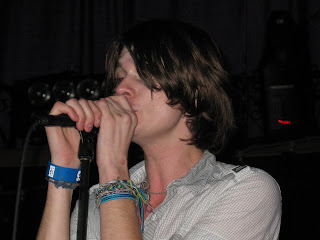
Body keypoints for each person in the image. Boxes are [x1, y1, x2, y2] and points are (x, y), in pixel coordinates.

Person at [37, 19, 281, 240]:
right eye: (120, 77)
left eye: (144, 74)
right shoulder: (95, 200)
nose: (121, 89)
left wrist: (113, 167)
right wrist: (65, 169)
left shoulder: (245, 190)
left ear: (194, 93)